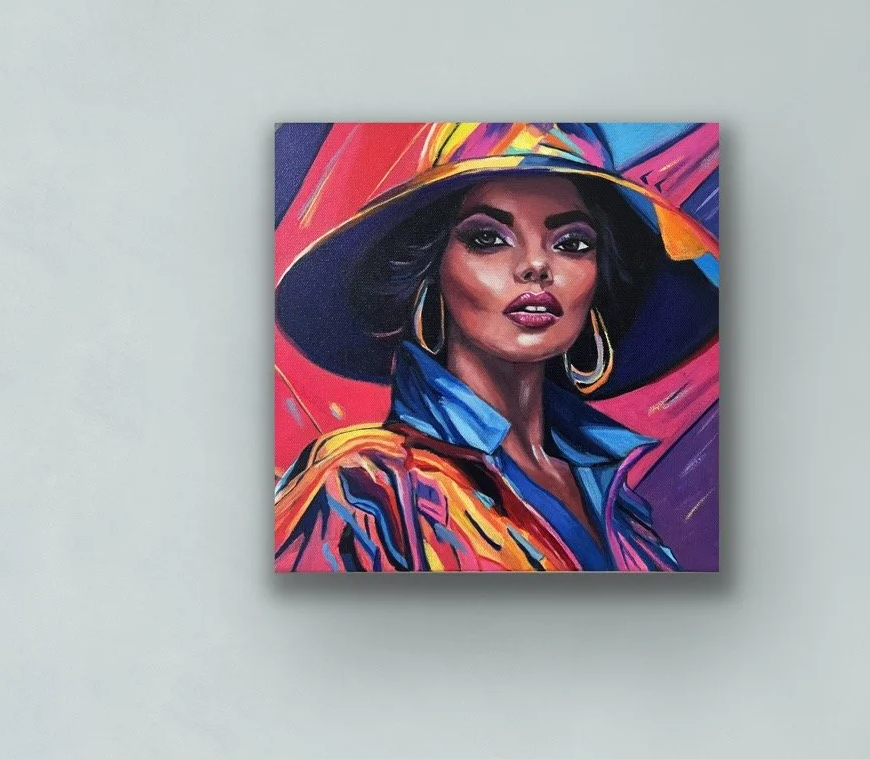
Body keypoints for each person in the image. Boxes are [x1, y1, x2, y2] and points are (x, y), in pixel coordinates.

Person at [274, 123, 718, 572]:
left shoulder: (623, 510)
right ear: (433, 272)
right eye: (487, 238)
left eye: (572, 243)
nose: (536, 265)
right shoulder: (364, 487)